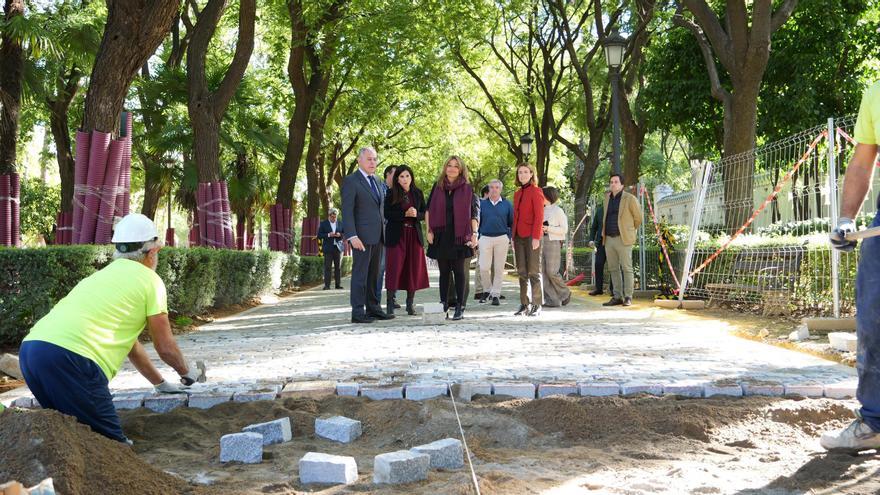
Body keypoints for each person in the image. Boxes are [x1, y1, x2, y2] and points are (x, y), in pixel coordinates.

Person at [19, 214, 206, 444]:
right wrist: (187, 373)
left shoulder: (100, 277)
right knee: (113, 449)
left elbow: (132, 347)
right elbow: (165, 347)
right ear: (152, 252)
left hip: (32, 353)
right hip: (73, 360)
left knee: (72, 434)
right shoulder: (150, 281)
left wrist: (160, 384)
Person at [824, 80, 880, 452]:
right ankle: (875, 420)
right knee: (873, 315)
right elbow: (862, 162)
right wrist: (847, 217)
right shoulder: (876, 92)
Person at [342, 147, 394, 323]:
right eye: (369, 159)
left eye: (375, 159)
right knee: (360, 275)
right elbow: (347, 211)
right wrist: (352, 236)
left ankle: (373, 308)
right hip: (361, 238)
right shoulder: (351, 181)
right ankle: (357, 312)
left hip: (379, 236)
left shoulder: (378, 180)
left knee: (375, 275)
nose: (373, 162)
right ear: (359, 161)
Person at [426, 155, 479, 321]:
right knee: (444, 273)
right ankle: (443, 305)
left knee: (459, 273)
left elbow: (473, 214)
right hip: (441, 235)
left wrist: (475, 234)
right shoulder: (438, 187)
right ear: (445, 167)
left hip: (460, 237)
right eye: (449, 165)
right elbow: (429, 210)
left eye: (456, 166)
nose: (452, 168)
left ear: (461, 169)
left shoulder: (467, 189)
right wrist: (429, 230)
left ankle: (460, 306)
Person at [384, 165, 430, 315]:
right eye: (402, 176)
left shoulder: (418, 193)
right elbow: (387, 214)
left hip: (414, 236)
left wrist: (417, 214)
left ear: (412, 177)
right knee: (394, 268)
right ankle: (390, 304)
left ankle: (410, 305)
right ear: (397, 178)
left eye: (407, 176)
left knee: (413, 269)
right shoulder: (391, 193)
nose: (405, 179)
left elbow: (425, 213)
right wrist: (404, 214)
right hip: (397, 235)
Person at [602, 173, 642, 307]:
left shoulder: (630, 199)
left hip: (623, 238)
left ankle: (628, 296)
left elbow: (638, 218)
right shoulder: (607, 198)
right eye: (611, 181)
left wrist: (629, 230)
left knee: (627, 268)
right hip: (609, 238)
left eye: (616, 182)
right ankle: (617, 296)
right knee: (613, 268)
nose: (613, 184)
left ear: (622, 185)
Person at [513, 163, 545, 317]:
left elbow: (539, 216)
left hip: (532, 236)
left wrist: (536, 237)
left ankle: (537, 304)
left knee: (533, 271)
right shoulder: (517, 193)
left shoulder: (537, 191)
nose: (523, 175)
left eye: (526, 172)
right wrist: (513, 236)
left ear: (532, 174)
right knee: (521, 272)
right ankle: (524, 303)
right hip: (518, 236)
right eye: (520, 172)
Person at [479, 179, 513, 306]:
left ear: (500, 189)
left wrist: (509, 237)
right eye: (491, 187)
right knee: (483, 267)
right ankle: (487, 290)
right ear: (488, 189)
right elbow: (477, 221)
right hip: (485, 238)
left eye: (497, 187)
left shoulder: (507, 204)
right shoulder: (482, 204)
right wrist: (477, 237)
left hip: (502, 238)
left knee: (499, 268)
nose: (494, 189)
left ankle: (496, 294)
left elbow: (511, 222)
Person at [541, 186, 572, 307]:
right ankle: (552, 300)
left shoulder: (558, 210)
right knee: (543, 272)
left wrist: (548, 228)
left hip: (553, 241)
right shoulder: (541, 210)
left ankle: (565, 293)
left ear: (548, 196)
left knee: (552, 271)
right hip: (540, 241)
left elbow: (564, 229)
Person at [378, 165, 398, 309]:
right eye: (396, 174)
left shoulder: (399, 192)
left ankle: (392, 298)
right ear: (387, 174)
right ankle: (376, 300)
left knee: (393, 267)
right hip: (380, 232)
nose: (399, 178)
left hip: (394, 234)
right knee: (380, 267)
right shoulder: (380, 188)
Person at [588, 196, 613, 296]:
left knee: (613, 266)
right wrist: (591, 239)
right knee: (598, 264)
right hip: (601, 242)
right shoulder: (600, 211)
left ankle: (613, 289)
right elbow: (593, 227)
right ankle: (598, 288)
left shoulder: (616, 210)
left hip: (612, 241)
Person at [317, 208, 345, 290]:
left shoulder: (340, 223)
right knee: (328, 267)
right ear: (329, 216)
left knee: (338, 267)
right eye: (332, 217)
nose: (334, 218)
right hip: (328, 248)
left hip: (338, 248)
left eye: (335, 217)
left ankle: (338, 285)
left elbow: (344, 233)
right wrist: (329, 235)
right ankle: (327, 285)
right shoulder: (323, 224)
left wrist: (340, 235)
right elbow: (319, 235)